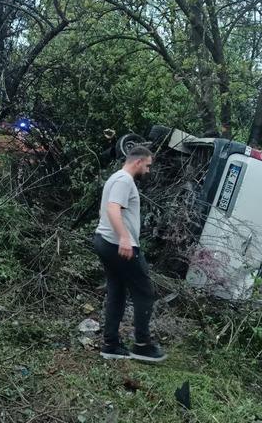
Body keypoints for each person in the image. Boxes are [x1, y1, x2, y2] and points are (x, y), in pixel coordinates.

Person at [93, 146, 166, 362]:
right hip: (118, 244)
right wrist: (124, 238)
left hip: (105, 241)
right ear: (138, 162)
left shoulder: (116, 178)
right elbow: (113, 209)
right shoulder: (124, 180)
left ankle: (110, 345)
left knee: (117, 292)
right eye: (148, 165)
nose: (148, 170)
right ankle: (142, 345)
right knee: (145, 292)